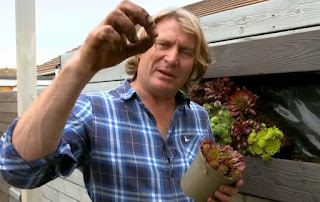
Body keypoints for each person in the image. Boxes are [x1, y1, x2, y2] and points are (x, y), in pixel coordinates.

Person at [0, 1, 243, 201]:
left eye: (185, 51)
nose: (171, 58)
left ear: (194, 64)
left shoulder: (198, 116)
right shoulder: (95, 110)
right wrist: (82, 65)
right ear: (141, 49)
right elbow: (18, 169)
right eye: (163, 44)